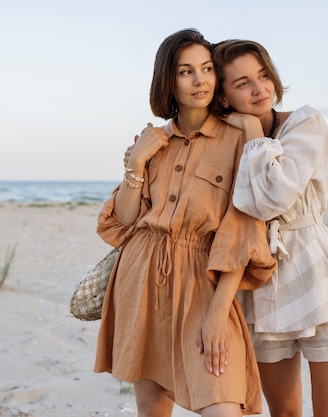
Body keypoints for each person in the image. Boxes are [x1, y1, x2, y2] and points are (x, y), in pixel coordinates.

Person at [94, 29, 276, 417]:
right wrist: (135, 165)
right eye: (186, 71)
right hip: (141, 277)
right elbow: (122, 226)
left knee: (223, 402)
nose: (201, 80)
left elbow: (242, 230)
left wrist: (216, 314)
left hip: (203, 281)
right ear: (168, 81)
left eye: (208, 69)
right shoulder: (152, 140)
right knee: (152, 408)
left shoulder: (239, 138)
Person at [210, 39, 328, 417]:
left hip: (318, 273)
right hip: (260, 283)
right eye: (242, 83)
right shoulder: (224, 142)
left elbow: (275, 197)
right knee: (283, 412)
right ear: (222, 98)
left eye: (263, 75)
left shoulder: (304, 122)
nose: (259, 89)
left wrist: (252, 129)